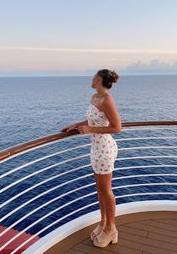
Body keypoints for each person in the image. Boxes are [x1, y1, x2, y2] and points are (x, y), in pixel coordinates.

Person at [61, 69, 122, 247]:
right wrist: (76, 125)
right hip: (96, 148)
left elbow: (117, 127)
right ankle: (103, 222)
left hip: (104, 149)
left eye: (95, 76)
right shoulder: (94, 97)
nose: (92, 79)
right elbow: (93, 121)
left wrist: (90, 130)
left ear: (101, 80)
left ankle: (111, 229)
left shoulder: (107, 99)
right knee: (100, 189)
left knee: (106, 190)